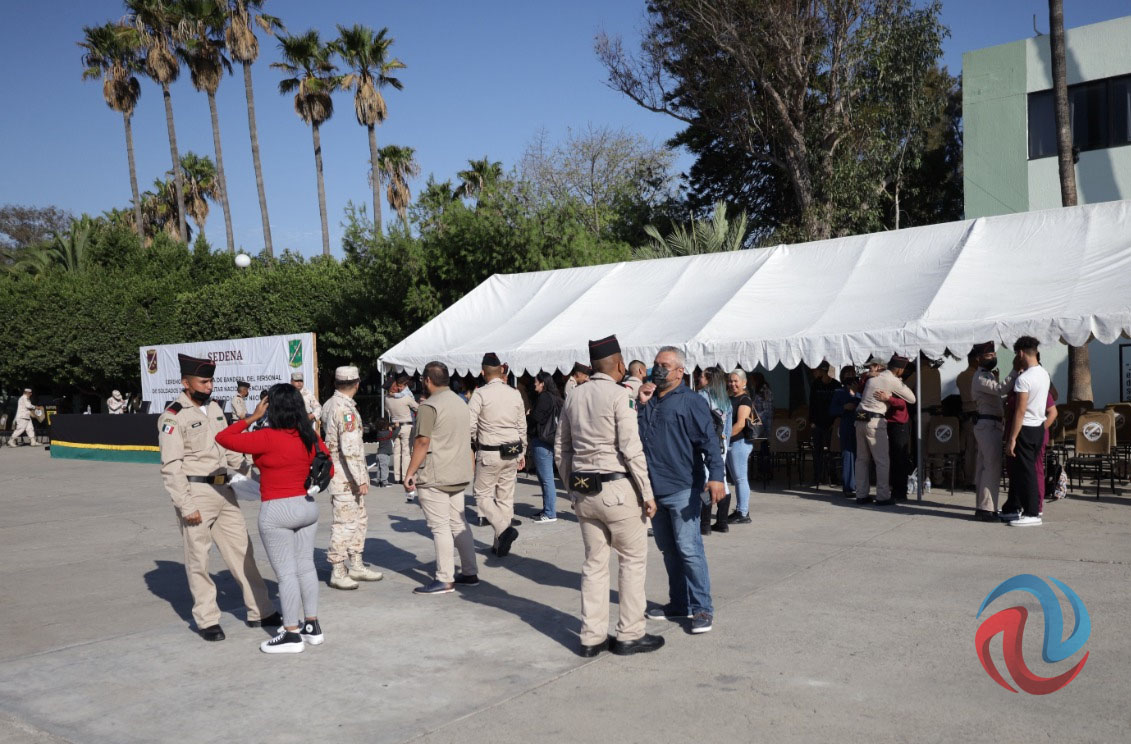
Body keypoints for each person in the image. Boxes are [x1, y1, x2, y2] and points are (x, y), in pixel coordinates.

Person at [555, 334, 662, 657]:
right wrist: (647, 492)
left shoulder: (573, 396)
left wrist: (571, 487)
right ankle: (629, 633)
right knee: (631, 561)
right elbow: (631, 448)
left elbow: (562, 449)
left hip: (584, 490)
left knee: (594, 564)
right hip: (617, 488)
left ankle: (591, 636)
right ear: (619, 364)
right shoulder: (620, 396)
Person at [157, 354, 277, 641]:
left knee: (242, 552)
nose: (210, 386)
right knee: (199, 559)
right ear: (186, 383)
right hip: (196, 492)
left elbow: (231, 449)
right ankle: (207, 619)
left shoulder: (215, 410)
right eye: (204, 381)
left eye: (211, 381)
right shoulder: (173, 417)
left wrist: (253, 473)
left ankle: (260, 610)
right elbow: (171, 467)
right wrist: (186, 505)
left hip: (225, 489)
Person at [215, 383, 330, 654]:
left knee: (286, 573)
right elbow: (328, 466)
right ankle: (311, 625)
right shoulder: (309, 436)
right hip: (307, 506)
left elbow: (224, 437)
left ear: (271, 407)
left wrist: (253, 416)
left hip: (277, 509)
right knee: (306, 567)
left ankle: (291, 633)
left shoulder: (266, 436)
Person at [637, 346, 725, 635]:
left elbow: (709, 441)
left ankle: (702, 608)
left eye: (664, 365)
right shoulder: (648, 399)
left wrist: (717, 476)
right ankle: (679, 603)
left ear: (679, 371)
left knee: (689, 550)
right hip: (653, 489)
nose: (657, 369)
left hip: (682, 488)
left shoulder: (690, 402)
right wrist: (641, 403)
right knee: (669, 550)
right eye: (655, 364)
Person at [404, 362, 478, 594]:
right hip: (458, 471)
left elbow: (422, 441)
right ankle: (469, 571)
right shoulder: (460, 402)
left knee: (440, 527)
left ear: (427, 380)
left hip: (435, 473)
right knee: (458, 523)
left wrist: (410, 472)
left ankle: (445, 578)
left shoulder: (429, 406)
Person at [322, 366, 383, 590]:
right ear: (357, 384)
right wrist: (361, 478)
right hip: (345, 476)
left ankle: (356, 563)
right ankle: (338, 568)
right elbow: (349, 447)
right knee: (345, 523)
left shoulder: (330, 404)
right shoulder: (344, 409)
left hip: (344, 474)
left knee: (358, 520)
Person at [468, 353, 527, 557]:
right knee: (505, 497)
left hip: (490, 451)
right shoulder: (514, 393)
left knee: (482, 495)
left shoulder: (480, 394)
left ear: (483, 372)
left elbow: (470, 424)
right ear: (502, 371)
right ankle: (499, 544)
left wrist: (476, 441)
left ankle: (503, 530)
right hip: (512, 450)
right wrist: (523, 452)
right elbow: (522, 426)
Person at [854, 354, 916, 506]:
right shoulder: (892, 380)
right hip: (875, 421)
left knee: (861, 460)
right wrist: (889, 395)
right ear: (900, 369)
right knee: (882, 460)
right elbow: (912, 399)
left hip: (860, 418)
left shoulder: (873, 377)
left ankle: (861, 495)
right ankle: (882, 496)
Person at [1001, 337, 1050, 526]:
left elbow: (1020, 411)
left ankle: (1031, 513)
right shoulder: (1044, 374)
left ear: (1021, 353)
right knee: (1021, 470)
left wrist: (1012, 438)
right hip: (1038, 427)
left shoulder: (1024, 379)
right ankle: (1013, 507)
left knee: (1026, 471)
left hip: (1025, 429)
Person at [969, 342, 1016, 521]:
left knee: (984, 467)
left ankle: (983, 507)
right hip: (988, 425)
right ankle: (987, 509)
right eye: (989, 355)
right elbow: (1001, 389)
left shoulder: (987, 375)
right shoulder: (980, 377)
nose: (993, 357)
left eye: (993, 354)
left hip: (990, 424)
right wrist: (1014, 371)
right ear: (979, 358)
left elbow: (997, 396)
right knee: (992, 467)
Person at [696, 366, 732, 534]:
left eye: (701, 377)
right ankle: (722, 522)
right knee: (721, 480)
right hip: (722, 444)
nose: (698, 379)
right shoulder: (726, 399)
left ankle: (704, 525)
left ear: (708, 379)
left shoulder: (701, 397)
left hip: (706, 444)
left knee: (706, 481)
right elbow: (728, 428)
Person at [529, 371, 564, 522]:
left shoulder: (544, 397)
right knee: (546, 477)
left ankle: (550, 512)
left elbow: (537, 417)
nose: (534, 384)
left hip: (542, 440)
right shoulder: (556, 398)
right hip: (551, 439)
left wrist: (529, 414)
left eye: (536, 381)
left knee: (546, 478)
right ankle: (547, 510)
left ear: (542, 383)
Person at [877, 355, 911, 500]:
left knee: (899, 458)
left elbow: (904, 402)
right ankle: (894, 488)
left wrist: (888, 399)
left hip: (899, 423)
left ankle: (900, 491)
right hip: (888, 422)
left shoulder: (897, 383)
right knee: (891, 457)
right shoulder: (887, 381)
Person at [725, 369, 755, 524]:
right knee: (737, 479)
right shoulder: (730, 398)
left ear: (744, 383)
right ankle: (740, 509)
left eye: (736, 381)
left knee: (741, 478)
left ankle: (743, 513)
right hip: (731, 443)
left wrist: (724, 437)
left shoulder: (744, 400)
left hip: (739, 443)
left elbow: (741, 423)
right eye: (730, 380)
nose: (733, 383)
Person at [828, 366, 861, 498]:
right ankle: (848, 486)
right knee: (848, 454)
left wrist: (856, 393)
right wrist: (843, 407)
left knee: (861, 456)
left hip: (860, 424)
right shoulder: (839, 391)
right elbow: (832, 410)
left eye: (852, 373)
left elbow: (866, 402)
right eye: (847, 374)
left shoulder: (860, 389)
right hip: (846, 424)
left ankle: (861, 486)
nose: (850, 376)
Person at [807, 362, 842, 487]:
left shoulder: (836, 385)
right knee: (817, 452)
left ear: (823, 371)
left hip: (831, 424)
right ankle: (817, 477)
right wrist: (811, 421)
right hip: (817, 424)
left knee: (833, 452)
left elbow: (839, 405)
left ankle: (833, 477)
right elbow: (812, 404)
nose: (814, 373)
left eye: (816, 370)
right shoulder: (815, 384)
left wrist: (835, 423)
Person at [385, 373, 419, 483]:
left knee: (397, 452)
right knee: (406, 453)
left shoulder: (386, 399)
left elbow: (387, 411)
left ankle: (396, 477)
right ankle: (405, 476)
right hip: (406, 426)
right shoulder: (406, 397)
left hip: (395, 426)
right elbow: (417, 407)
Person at [956, 350, 979, 488]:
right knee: (976, 450)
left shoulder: (961, 376)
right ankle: (974, 479)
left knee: (969, 449)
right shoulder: (978, 376)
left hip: (966, 414)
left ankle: (968, 478)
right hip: (977, 414)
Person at [749, 372, 773, 480]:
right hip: (759, 423)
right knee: (761, 449)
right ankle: (761, 471)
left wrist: (756, 418)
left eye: (752, 380)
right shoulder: (758, 391)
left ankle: (764, 472)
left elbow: (767, 410)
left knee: (763, 449)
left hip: (763, 425)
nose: (751, 383)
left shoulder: (764, 390)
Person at [372, 417, 395, 488]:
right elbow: (392, 434)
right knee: (385, 468)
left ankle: (379, 481)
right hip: (384, 454)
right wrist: (392, 429)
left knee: (379, 468)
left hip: (379, 453)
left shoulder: (379, 433)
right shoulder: (387, 433)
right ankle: (384, 481)